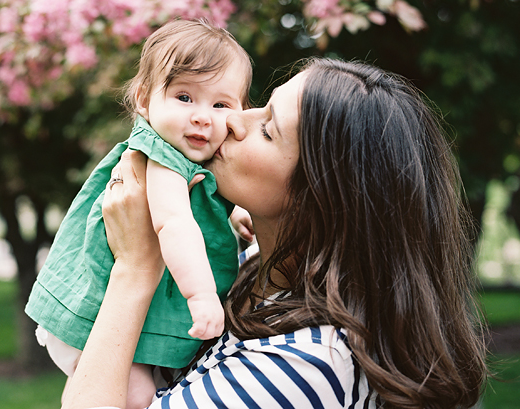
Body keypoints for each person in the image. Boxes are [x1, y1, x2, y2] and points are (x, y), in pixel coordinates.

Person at [60, 57, 488, 409]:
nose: (233, 122)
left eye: (267, 129)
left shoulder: (306, 366)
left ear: (320, 194)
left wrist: (135, 269)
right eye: (261, 106)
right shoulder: (252, 268)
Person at [25, 19, 254, 407]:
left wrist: (234, 214)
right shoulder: (162, 157)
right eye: (184, 97)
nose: (202, 116)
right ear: (145, 100)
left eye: (220, 104)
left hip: (128, 314)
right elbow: (174, 221)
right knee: (135, 396)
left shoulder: (193, 154)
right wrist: (200, 296)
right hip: (96, 313)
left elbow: (202, 202)